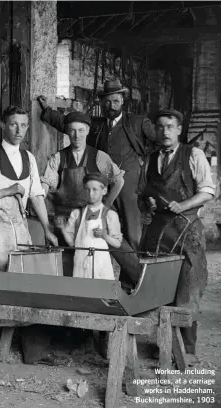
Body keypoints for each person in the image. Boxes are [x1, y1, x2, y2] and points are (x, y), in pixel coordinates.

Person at [0, 105, 61, 365]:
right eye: (14, 124)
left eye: (24, 125)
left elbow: (37, 195)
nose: (19, 130)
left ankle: (33, 352)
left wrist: (47, 228)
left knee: (24, 282)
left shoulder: (29, 158)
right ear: (3, 126)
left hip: (18, 227)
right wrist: (6, 192)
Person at [38, 79, 156, 288]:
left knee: (131, 235)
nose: (111, 106)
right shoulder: (96, 125)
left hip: (127, 189)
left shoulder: (139, 122)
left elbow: (159, 145)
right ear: (102, 103)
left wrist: (146, 172)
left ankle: (133, 284)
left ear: (123, 100)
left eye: (115, 101)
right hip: (97, 189)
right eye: (107, 102)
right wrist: (47, 111)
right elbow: (69, 124)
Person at [138, 109, 214, 365]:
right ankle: (164, 345)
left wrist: (183, 205)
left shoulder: (193, 154)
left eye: (170, 126)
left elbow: (207, 191)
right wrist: (147, 203)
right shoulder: (150, 159)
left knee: (188, 288)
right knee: (161, 289)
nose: (165, 131)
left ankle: (188, 349)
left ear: (179, 129)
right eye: (160, 127)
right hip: (158, 234)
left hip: (187, 232)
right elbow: (144, 192)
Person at [41, 111, 124, 275]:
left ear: (87, 131)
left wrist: (105, 207)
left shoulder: (99, 157)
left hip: (89, 221)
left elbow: (119, 181)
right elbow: (45, 185)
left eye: (80, 130)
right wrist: (39, 196)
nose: (76, 135)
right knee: (62, 270)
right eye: (72, 130)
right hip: (63, 220)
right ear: (67, 132)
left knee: (91, 267)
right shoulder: (58, 158)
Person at [63, 172, 122, 280]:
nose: (90, 194)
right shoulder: (77, 214)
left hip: (100, 265)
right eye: (87, 189)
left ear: (104, 191)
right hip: (80, 264)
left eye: (95, 190)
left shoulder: (110, 215)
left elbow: (117, 243)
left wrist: (105, 235)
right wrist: (62, 229)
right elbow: (72, 243)